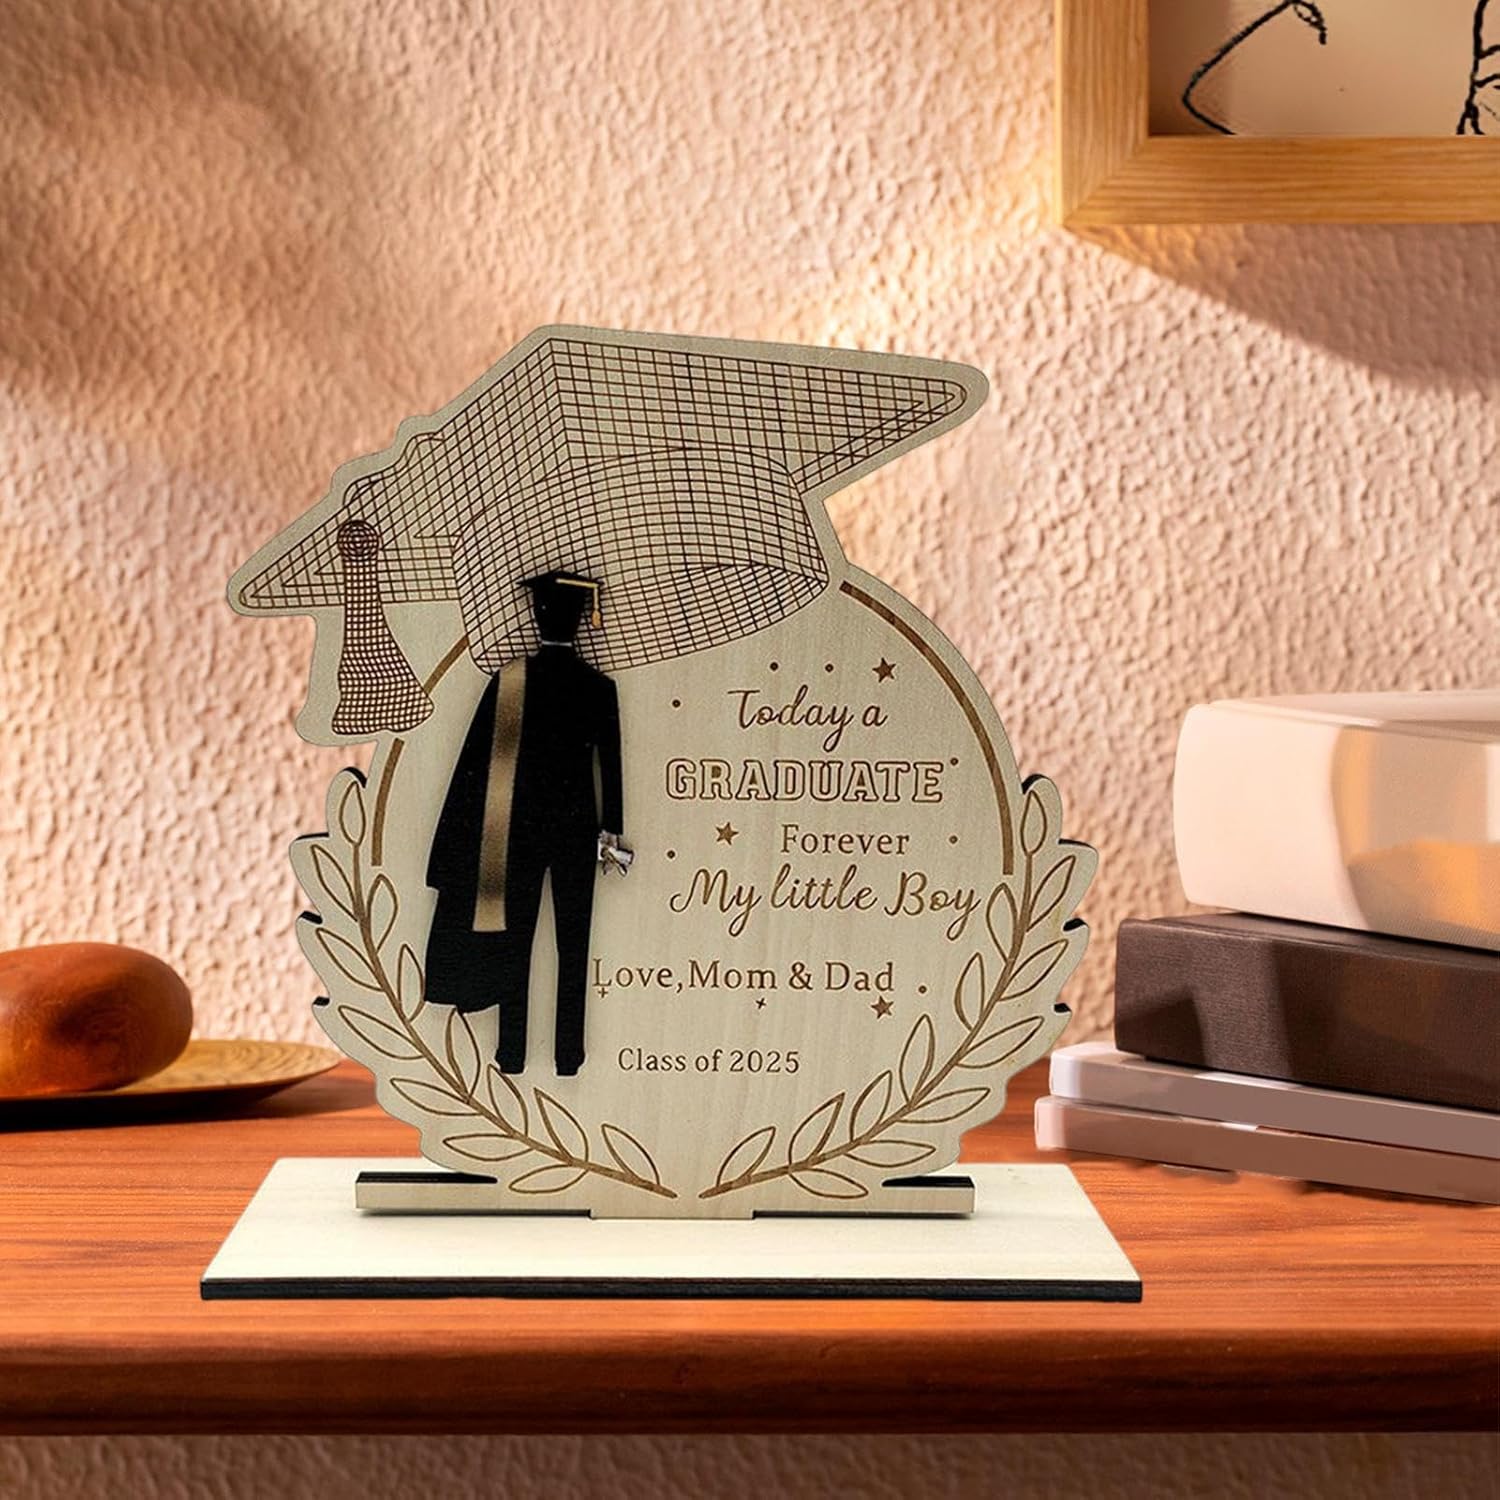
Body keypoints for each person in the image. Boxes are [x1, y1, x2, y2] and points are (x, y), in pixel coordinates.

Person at [424, 571, 624, 1075]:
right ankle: (569, 1057)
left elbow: (476, 764)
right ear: (579, 622)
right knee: (573, 944)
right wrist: (612, 831)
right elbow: (611, 769)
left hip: (518, 833)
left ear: (538, 618)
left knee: (516, 940)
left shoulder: (511, 681)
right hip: (578, 833)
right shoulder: (598, 687)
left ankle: (511, 1052)